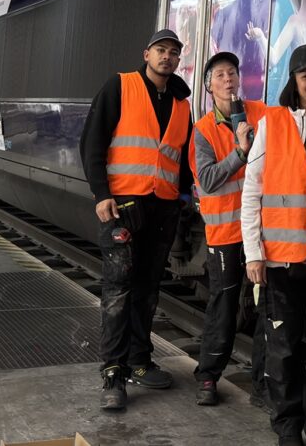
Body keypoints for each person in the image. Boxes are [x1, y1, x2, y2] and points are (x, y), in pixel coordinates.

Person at [80, 29, 193, 410]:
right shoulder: (120, 86)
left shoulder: (181, 103)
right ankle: (113, 373)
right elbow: (92, 142)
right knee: (119, 290)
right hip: (122, 207)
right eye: (161, 50)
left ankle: (139, 361)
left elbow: (182, 157)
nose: (167, 57)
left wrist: (183, 196)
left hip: (162, 210)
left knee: (147, 290)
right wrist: (101, 194)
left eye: (173, 52)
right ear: (147, 54)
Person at [242, 44, 306, 446]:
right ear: (294, 82)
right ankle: (287, 426)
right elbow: (253, 190)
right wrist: (253, 254)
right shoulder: (275, 123)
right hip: (284, 260)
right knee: (284, 347)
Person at [189, 51, 266, 406]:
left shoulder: (261, 115)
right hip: (226, 235)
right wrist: (240, 152)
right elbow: (207, 180)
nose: (228, 79)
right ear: (209, 86)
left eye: (232, 72)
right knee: (223, 305)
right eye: (219, 75)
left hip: (263, 231)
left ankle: (263, 384)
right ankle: (208, 376)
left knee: (268, 308)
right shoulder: (203, 131)